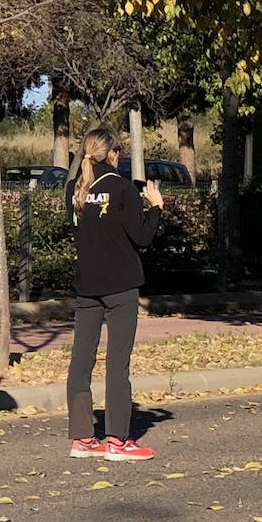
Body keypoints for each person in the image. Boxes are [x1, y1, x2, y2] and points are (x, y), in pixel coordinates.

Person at [64, 128, 164, 461]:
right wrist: (156, 208)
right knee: (117, 362)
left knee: (81, 361)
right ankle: (118, 441)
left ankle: (81, 437)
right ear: (112, 155)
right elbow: (143, 237)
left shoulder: (75, 191)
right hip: (120, 286)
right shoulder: (123, 189)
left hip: (87, 287)